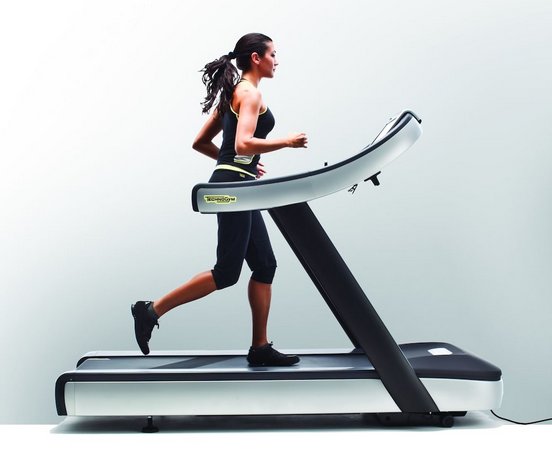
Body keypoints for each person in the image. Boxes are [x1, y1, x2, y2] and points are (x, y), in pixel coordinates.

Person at [131, 33, 308, 366]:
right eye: (273, 54)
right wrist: (286, 142)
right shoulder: (250, 93)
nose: (277, 60)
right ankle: (150, 310)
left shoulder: (233, 92)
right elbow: (243, 144)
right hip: (233, 190)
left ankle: (260, 348)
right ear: (256, 58)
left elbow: (201, 142)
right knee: (226, 273)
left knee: (265, 266)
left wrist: (239, 164)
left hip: (238, 184)